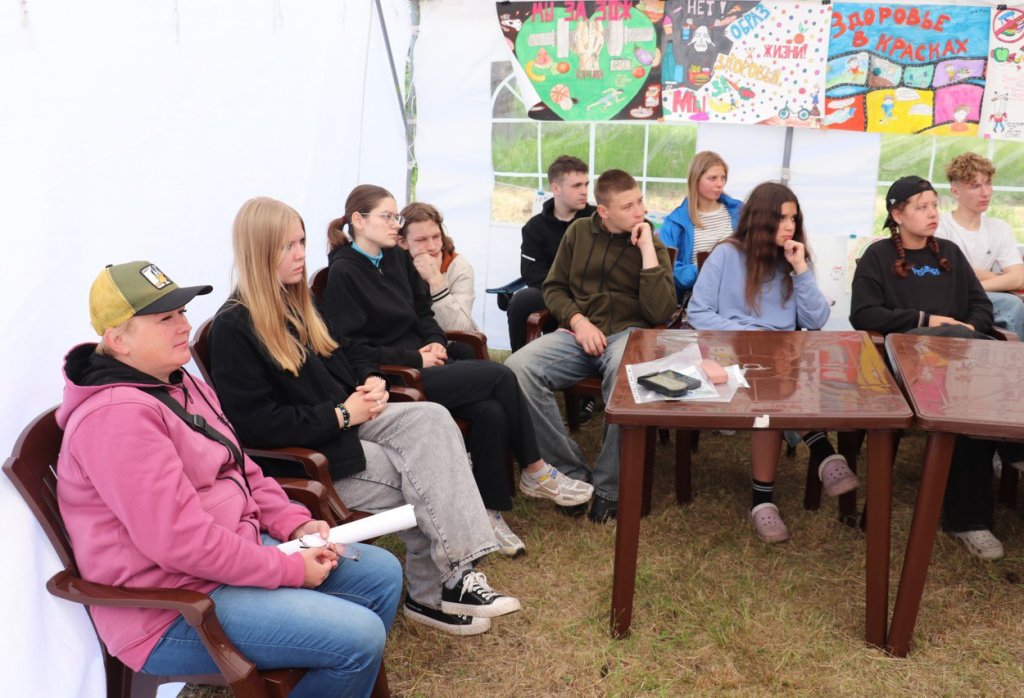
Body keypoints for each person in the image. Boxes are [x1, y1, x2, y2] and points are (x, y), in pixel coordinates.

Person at [56, 260, 403, 697]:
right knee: (357, 637)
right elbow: (181, 542)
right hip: (171, 608)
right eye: (164, 318)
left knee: (381, 574)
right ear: (118, 340)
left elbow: (241, 467)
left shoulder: (177, 382)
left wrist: (293, 523)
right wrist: (286, 568)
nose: (184, 325)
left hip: (229, 558)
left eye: (182, 312)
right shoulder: (116, 419)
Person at [208, 197, 522, 635]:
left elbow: (345, 351)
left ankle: (453, 580)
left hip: (350, 422)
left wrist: (369, 381)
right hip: (314, 454)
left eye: (301, 242)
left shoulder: (297, 302)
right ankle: (437, 593)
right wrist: (340, 414)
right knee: (423, 474)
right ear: (258, 251)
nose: (301, 254)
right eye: (287, 246)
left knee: (433, 419)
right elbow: (256, 424)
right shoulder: (234, 327)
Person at [320, 186, 594, 556]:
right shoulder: (343, 273)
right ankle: (535, 469)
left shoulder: (395, 258)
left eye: (395, 216)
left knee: (490, 411)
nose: (395, 224)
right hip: (398, 377)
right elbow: (352, 349)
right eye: (387, 216)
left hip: (427, 361)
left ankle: (488, 514)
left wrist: (435, 342)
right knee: (500, 375)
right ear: (358, 221)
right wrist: (415, 358)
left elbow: (423, 314)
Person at [688, 182, 859, 543]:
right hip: (732, 356)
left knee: (779, 387)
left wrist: (800, 268)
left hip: (782, 361)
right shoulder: (726, 255)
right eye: (782, 218)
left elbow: (815, 320)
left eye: (794, 218)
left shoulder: (793, 259)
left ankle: (762, 502)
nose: (789, 226)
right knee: (770, 393)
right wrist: (752, 333)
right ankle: (822, 453)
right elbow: (698, 313)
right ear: (761, 219)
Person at [505, 169, 678, 523]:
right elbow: (554, 287)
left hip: (629, 335)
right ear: (604, 211)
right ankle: (569, 475)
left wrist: (647, 249)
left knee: (624, 371)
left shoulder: (652, 243)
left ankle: (609, 488)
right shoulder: (579, 232)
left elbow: (661, 311)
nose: (640, 211)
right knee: (517, 370)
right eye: (628, 206)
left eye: (640, 201)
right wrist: (577, 320)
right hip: (579, 335)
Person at [850, 175, 1004, 560]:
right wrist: (926, 320)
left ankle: (971, 518)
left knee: (974, 394)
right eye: (922, 207)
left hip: (961, 362)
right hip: (907, 366)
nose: (933, 213)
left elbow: (981, 305)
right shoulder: (878, 257)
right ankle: (1004, 457)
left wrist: (970, 329)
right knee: (969, 396)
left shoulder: (949, 253)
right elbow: (863, 313)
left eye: (935, 205)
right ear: (897, 215)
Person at [507, 155, 596, 352]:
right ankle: (518, 362)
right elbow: (532, 274)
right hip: (554, 296)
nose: (584, 191)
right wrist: (562, 295)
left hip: (595, 297)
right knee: (521, 300)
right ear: (556, 189)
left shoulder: (599, 219)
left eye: (586, 184)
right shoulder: (534, 228)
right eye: (577, 185)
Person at [936, 152, 1024, 340]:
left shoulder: (999, 227)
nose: (986, 192)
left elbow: (1018, 278)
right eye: (975, 186)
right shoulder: (940, 226)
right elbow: (947, 273)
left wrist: (973, 286)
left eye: (988, 183)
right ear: (955, 191)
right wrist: (999, 278)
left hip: (977, 297)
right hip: (948, 298)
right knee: (1012, 305)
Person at [658, 151, 742, 300]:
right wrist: (709, 270)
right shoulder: (674, 222)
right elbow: (668, 268)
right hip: (697, 296)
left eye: (723, 178)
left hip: (738, 294)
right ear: (695, 180)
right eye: (712, 178)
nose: (720, 184)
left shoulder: (740, 212)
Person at [397, 201, 478, 332]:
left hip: (452, 341)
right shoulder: (393, 265)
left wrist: (435, 280)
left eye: (436, 236)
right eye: (421, 239)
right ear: (402, 242)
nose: (432, 247)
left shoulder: (458, 266)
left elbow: (458, 328)